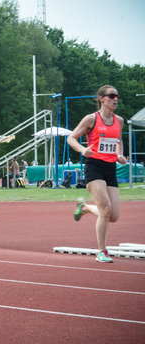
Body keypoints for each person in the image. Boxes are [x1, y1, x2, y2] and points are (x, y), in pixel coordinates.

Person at [67, 85, 127, 263]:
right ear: (101, 98)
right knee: (106, 209)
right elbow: (71, 138)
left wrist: (119, 154)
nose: (115, 99)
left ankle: (84, 207)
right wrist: (82, 149)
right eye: (111, 96)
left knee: (113, 215)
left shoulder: (120, 121)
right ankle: (102, 252)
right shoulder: (91, 119)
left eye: (116, 96)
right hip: (94, 167)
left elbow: (118, 141)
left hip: (110, 169)